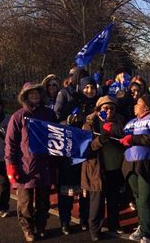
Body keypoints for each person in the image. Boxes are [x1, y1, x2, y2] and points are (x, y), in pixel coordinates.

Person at [5, 82, 57, 241]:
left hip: (45, 165)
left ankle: (41, 226)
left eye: (37, 93)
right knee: (25, 202)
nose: (35, 96)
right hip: (25, 167)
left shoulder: (48, 114)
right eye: (31, 94)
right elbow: (11, 143)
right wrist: (11, 166)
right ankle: (28, 228)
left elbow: (56, 136)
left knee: (43, 201)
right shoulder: (18, 116)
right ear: (25, 96)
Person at [120, 94, 150, 242]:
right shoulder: (132, 122)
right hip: (130, 164)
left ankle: (147, 233)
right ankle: (141, 225)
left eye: (138, 103)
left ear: (146, 106)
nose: (135, 106)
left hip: (147, 164)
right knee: (138, 198)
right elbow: (122, 139)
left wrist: (134, 139)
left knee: (145, 198)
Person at [81, 95, 126, 241]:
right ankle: (95, 229)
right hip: (97, 168)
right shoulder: (91, 123)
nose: (108, 111)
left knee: (114, 199)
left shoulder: (119, 120)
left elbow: (123, 138)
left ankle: (114, 224)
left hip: (116, 167)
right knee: (97, 202)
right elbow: (87, 148)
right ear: (98, 108)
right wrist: (102, 136)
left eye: (112, 108)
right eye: (105, 108)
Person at [58, 76, 98, 235]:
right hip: (71, 153)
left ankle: (84, 219)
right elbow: (58, 122)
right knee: (67, 191)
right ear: (81, 88)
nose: (89, 91)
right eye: (86, 87)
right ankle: (65, 221)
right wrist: (68, 121)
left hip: (89, 155)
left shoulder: (97, 105)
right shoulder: (71, 104)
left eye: (92, 87)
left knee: (85, 190)